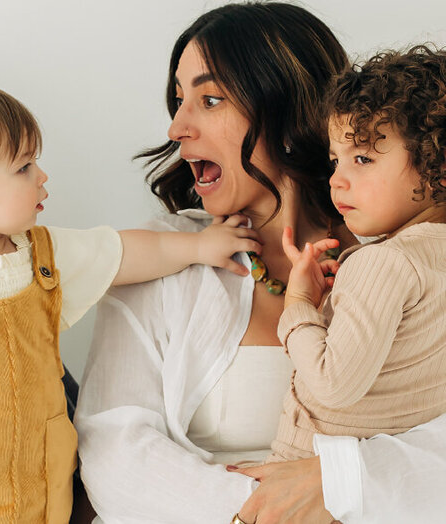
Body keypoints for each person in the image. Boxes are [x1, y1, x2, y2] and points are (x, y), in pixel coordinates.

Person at [74, 3, 446, 523]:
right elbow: (114, 446)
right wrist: (254, 512)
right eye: (179, 101)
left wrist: (338, 483)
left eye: (209, 99)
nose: (177, 126)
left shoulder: (407, 267)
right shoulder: (158, 257)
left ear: (288, 112)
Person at [0, 77, 260, 523]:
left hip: (39, 495)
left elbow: (124, 253)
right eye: (23, 168)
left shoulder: (42, 255)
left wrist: (198, 247)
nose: (41, 176)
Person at [268, 45, 446, 463]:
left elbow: (333, 385)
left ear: (437, 165)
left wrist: (298, 308)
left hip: (310, 480)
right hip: (386, 488)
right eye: (335, 161)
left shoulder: (382, 262)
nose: (338, 181)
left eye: (362, 158)